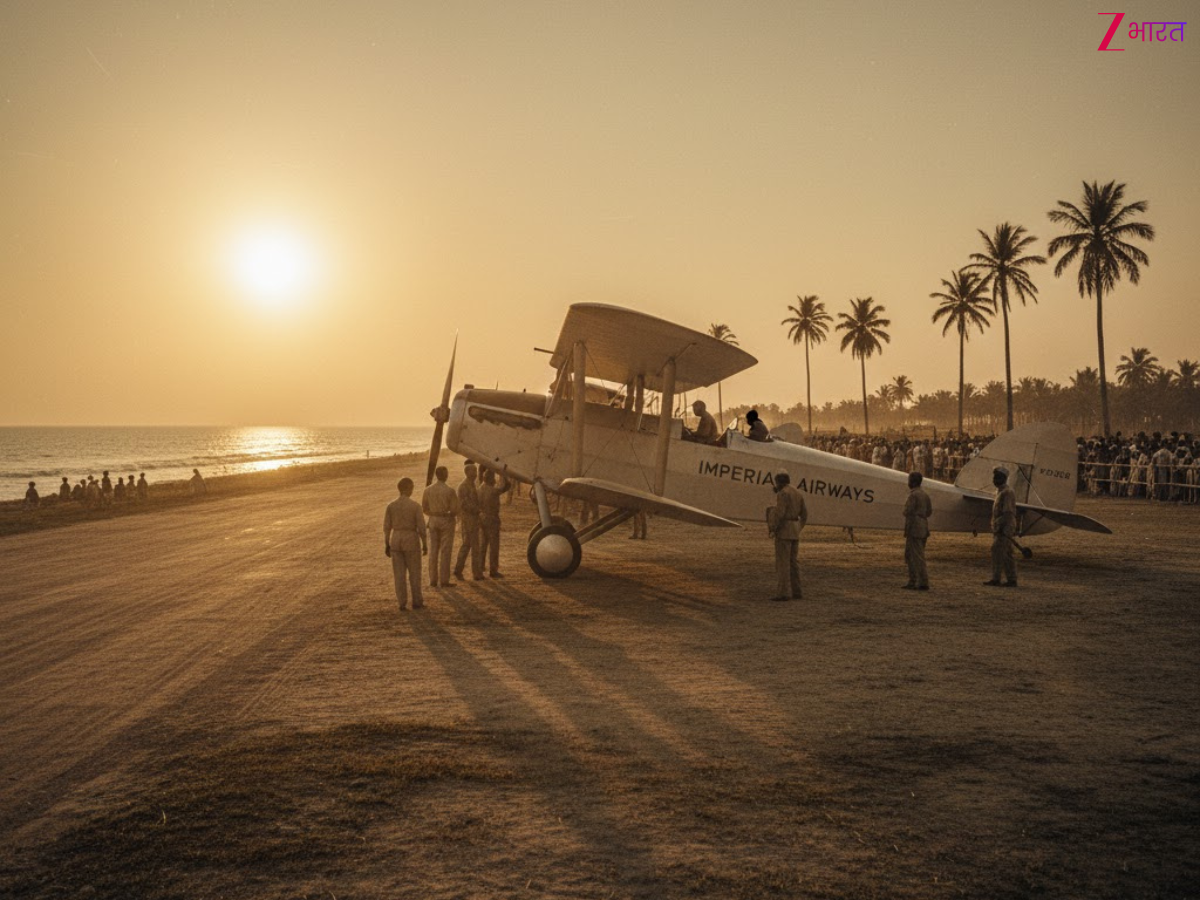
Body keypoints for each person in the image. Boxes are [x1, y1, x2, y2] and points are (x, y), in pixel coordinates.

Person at [384, 477, 427, 611]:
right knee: (414, 572)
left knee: (399, 574)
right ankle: (417, 601)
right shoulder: (415, 506)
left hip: (396, 538)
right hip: (411, 538)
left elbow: (386, 527)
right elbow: (421, 527)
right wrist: (424, 543)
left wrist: (387, 543)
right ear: (408, 489)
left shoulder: (391, 506)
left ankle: (402, 602)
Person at [768, 472, 807, 601]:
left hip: (784, 531)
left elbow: (780, 513)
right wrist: (798, 528)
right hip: (795, 531)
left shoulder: (783, 494)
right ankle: (797, 591)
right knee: (793, 563)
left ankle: (783, 593)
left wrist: (773, 527)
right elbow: (804, 514)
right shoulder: (798, 493)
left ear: (779, 482)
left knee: (782, 563)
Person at [421, 465, 459, 588]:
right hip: (446, 520)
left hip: (433, 520)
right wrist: (447, 513)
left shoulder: (428, 490)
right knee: (445, 551)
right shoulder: (450, 490)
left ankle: (433, 579)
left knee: (433, 550)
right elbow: (455, 510)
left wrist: (433, 513)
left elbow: (425, 509)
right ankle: (444, 580)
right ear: (445, 476)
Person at [985, 466, 1018, 587]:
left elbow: (1008, 512)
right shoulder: (1000, 492)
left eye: (997, 477)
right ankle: (1011, 579)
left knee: (997, 551)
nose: (994, 479)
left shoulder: (1007, 493)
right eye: (994, 477)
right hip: (1002, 525)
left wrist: (999, 526)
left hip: (1005, 525)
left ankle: (996, 578)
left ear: (1003, 479)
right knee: (1007, 552)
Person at [478, 468, 512, 578]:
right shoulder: (493, 491)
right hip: (492, 519)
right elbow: (506, 486)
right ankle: (493, 570)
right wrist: (503, 474)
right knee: (494, 545)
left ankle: (480, 566)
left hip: (482, 518)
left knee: (483, 544)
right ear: (490, 479)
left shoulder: (480, 489)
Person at [453, 463, 484, 580]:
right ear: (467, 473)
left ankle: (461, 570)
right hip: (468, 519)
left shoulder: (470, 484)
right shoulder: (464, 486)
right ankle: (474, 573)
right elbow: (464, 504)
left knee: (470, 545)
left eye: (476, 471)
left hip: (473, 519)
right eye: (473, 471)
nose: (476, 474)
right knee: (470, 546)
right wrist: (478, 510)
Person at [902, 472, 932, 590]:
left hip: (914, 526)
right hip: (923, 526)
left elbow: (906, 511)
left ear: (913, 482)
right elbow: (929, 512)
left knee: (916, 556)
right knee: (912, 555)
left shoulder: (913, 495)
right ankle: (914, 580)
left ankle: (921, 581)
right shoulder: (925, 495)